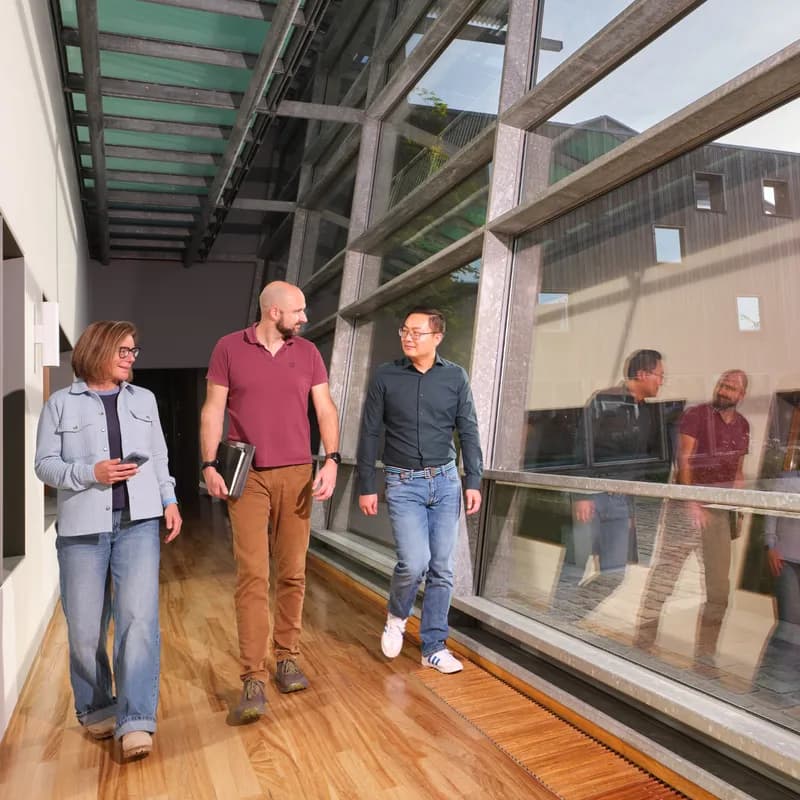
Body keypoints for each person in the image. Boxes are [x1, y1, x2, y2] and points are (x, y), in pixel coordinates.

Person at [34, 321, 182, 761]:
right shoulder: (60, 404)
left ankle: (136, 719)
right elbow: (44, 465)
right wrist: (90, 473)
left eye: (134, 351)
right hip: (81, 531)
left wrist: (169, 499)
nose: (131, 357)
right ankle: (97, 705)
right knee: (84, 629)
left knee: (138, 621)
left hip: (139, 523)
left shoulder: (144, 400)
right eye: (124, 350)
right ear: (98, 350)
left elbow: (159, 456)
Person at [201, 281, 339, 722]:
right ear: (274, 311)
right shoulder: (228, 348)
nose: (305, 318)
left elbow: (325, 408)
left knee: (293, 572)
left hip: (297, 474)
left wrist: (332, 459)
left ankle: (287, 657)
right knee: (253, 575)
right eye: (299, 311)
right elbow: (213, 409)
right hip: (249, 476)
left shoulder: (309, 353)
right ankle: (252, 677)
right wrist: (208, 463)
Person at [357, 308, 483, 674]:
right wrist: (367, 485)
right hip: (402, 482)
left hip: (446, 482)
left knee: (442, 568)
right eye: (405, 331)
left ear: (437, 337)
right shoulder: (386, 376)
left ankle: (434, 646)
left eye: (417, 332)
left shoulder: (455, 377)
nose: (408, 337)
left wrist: (473, 480)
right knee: (413, 563)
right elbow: (370, 432)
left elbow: (469, 430)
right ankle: (397, 616)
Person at [635, 370, 750, 661]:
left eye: (731, 387)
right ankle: (643, 643)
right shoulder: (696, 415)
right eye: (722, 384)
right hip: (686, 508)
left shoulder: (743, 425)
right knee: (665, 577)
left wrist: (737, 509)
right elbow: (684, 459)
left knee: (719, 590)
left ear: (742, 395)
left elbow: (738, 471)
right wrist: (691, 503)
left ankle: (705, 657)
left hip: (719, 512)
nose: (723, 390)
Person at [572, 350, 665, 580]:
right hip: (594, 495)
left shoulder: (646, 413)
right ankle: (562, 605)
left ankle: (577, 607)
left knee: (613, 577)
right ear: (642, 374)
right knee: (573, 570)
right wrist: (581, 494)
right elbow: (582, 445)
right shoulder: (605, 400)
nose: (661, 382)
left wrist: (631, 509)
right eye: (660, 375)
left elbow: (639, 465)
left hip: (622, 502)